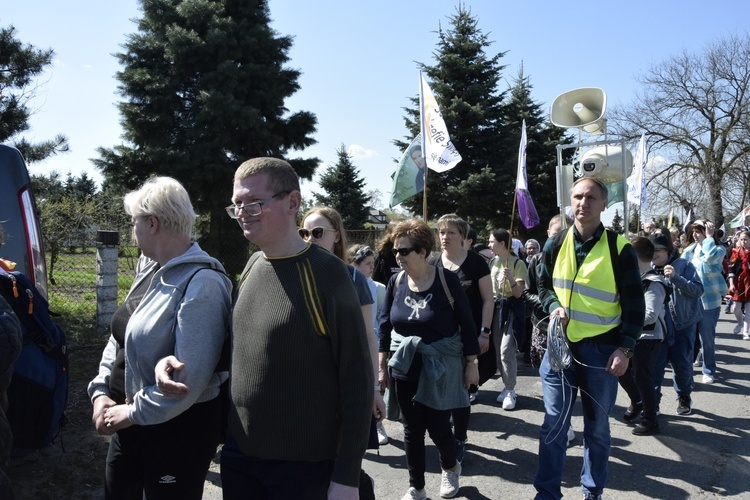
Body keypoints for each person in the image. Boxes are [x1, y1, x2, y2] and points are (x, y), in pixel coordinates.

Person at [87, 176, 233, 499]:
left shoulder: (203, 283)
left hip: (177, 434)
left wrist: (130, 412)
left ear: (152, 224)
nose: (132, 230)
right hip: (128, 423)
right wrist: (100, 394)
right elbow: (121, 336)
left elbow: (187, 383)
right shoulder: (150, 269)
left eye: (134, 222)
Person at [535, 177, 645, 500]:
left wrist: (625, 349)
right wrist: (553, 306)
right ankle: (546, 494)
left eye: (591, 198)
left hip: (601, 352)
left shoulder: (619, 248)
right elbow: (542, 287)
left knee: (596, 430)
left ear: (603, 204)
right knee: (554, 425)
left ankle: (592, 492)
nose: (583, 202)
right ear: (570, 201)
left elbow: (634, 305)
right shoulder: (554, 243)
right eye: (578, 196)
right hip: (559, 350)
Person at [378, 218, 479, 500]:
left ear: (422, 251)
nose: (398, 257)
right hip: (406, 364)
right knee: (412, 430)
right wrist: (381, 368)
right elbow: (385, 325)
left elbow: (466, 323)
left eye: (404, 251)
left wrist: (471, 364)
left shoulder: (446, 280)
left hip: (441, 365)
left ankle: (450, 466)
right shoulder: (395, 281)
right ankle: (417, 488)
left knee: (437, 428)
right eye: (395, 251)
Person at [298, 206, 385, 462]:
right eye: (304, 233)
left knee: (340, 463)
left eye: (317, 232)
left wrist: (374, 389)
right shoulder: (293, 273)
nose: (310, 239)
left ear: (336, 236)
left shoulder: (353, 278)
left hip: (340, 387)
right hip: (301, 389)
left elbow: (368, 336)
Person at [428, 214, 494, 463]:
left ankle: (459, 439)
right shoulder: (433, 261)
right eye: (441, 232)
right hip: (438, 339)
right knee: (439, 389)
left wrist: (484, 332)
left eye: (451, 232)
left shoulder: (477, 263)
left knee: (461, 391)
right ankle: (443, 435)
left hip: (468, 337)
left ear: (463, 236)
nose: (444, 237)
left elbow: (489, 300)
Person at [618, 237, 669, 436]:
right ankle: (637, 401)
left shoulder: (653, 283)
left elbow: (650, 315)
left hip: (649, 338)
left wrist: (623, 320)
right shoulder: (635, 279)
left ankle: (650, 419)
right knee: (622, 372)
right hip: (634, 336)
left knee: (643, 378)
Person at [650, 233, 703, 416]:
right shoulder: (647, 268)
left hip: (682, 326)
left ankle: (684, 398)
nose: (653, 254)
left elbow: (698, 289)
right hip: (657, 330)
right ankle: (653, 403)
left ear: (668, 250)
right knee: (655, 368)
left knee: (682, 367)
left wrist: (676, 278)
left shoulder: (683, 265)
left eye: (657, 250)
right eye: (651, 250)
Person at [348, 243, 389, 445]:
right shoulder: (345, 282)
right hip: (351, 345)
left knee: (375, 385)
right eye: (367, 263)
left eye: (373, 263)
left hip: (372, 342)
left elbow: (382, 317)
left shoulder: (378, 288)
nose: (372, 267)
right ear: (354, 263)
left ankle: (378, 424)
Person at [682, 220, 727, 384]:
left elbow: (710, 259)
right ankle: (687, 369)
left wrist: (708, 238)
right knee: (688, 338)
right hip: (691, 301)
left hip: (709, 302)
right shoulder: (689, 251)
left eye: (699, 231)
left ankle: (708, 370)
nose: (695, 235)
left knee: (706, 339)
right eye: (693, 231)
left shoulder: (718, 249)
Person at [488, 228, 528, 411]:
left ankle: (511, 390)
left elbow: (518, 293)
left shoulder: (517, 263)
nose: (489, 245)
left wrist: (511, 278)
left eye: (491, 242)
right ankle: (506, 386)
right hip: (495, 309)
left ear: (502, 243)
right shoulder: (492, 262)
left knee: (506, 350)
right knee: (498, 350)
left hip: (511, 308)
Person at [727, 230, 750, 340]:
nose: (744, 241)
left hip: (749, 283)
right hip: (738, 283)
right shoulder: (735, 253)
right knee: (736, 307)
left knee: (749, 308)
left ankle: (746, 331)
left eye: (746, 239)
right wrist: (731, 284)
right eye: (741, 239)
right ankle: (740, 322)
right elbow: (731, 269)